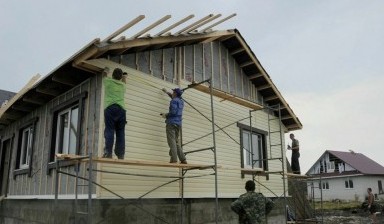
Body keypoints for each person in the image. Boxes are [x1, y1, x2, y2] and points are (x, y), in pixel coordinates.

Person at [102, 67, 127, 159]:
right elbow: (124, 81)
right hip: (121, 110)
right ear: (120, 77)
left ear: (112, 75)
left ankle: (108, 153)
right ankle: (120, 154)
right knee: (120, 132)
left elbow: (104, 75)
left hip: (110, 108)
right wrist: (125, 76)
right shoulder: (122, 85)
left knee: (110, 130)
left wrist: (106, 70)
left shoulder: (108, 82)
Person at [161, 88, 187, 164]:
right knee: (175, 142)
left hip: (171, 123)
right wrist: (166, 92)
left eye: (173, 92)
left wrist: (165, 115)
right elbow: (174, 98)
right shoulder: (181, 102)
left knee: (171, 141)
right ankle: (183, 159)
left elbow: (173, 112)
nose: (172, 93)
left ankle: (174, 159)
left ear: (175, 93)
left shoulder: (173, 101)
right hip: (178, 124)